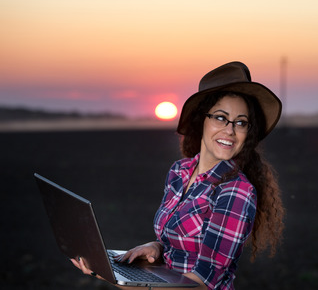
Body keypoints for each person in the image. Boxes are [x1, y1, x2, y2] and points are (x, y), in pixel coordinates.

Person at [71, 61, 285, 289]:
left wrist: (114, 278)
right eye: (221, 117)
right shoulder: (179, 172)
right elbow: (181, 245)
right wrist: (157, 248)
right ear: (201, 120)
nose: (230, 130)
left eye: (241, 123)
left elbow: (202, 284)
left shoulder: (236, 192)